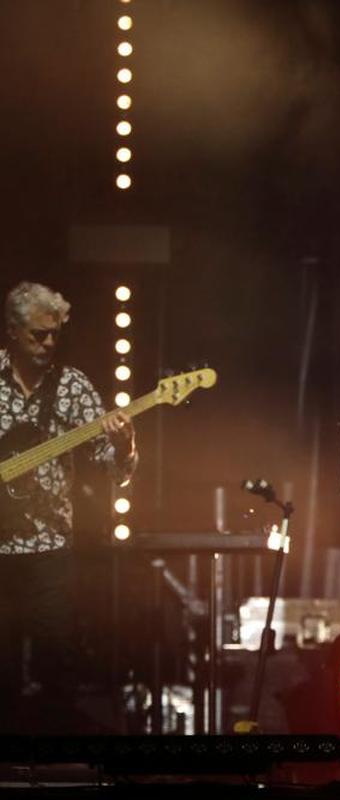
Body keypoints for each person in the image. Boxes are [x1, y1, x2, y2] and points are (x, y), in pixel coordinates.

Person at [0, 281, 137, 732]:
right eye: (39, 335)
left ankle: (52, 763)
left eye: (55, 334)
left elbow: (110, 469)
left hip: (50, 546)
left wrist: (124, 444)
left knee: (55, 664)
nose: (48, 344)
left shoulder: (72, 386)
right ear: (13, 331)